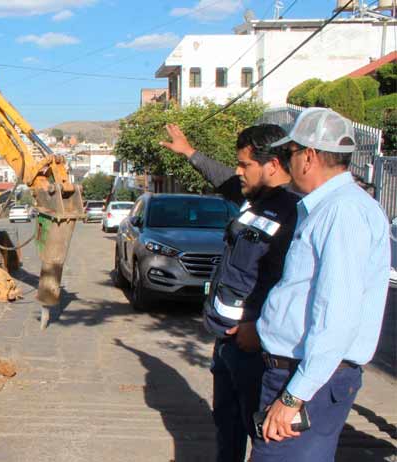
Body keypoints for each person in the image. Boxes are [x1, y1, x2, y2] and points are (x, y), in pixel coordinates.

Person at [251, 108, 390, 461]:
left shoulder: (342, 212)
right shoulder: (330, 207)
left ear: (309, 157)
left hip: (306, 378)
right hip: (297, 373)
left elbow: (336, 315)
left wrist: (293, 396)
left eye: (290, 153)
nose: (286, 162)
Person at [161, 123, 300, 462]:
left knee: (260, 432)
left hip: (256, 348)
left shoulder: (296, 212)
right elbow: (223, 179)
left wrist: (257, 325)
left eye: (245, 165)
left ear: (272, 165)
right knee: (226, 424)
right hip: (226, 338)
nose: (238, 171)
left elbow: (291, 282)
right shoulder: (253, 199)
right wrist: (190, 153)